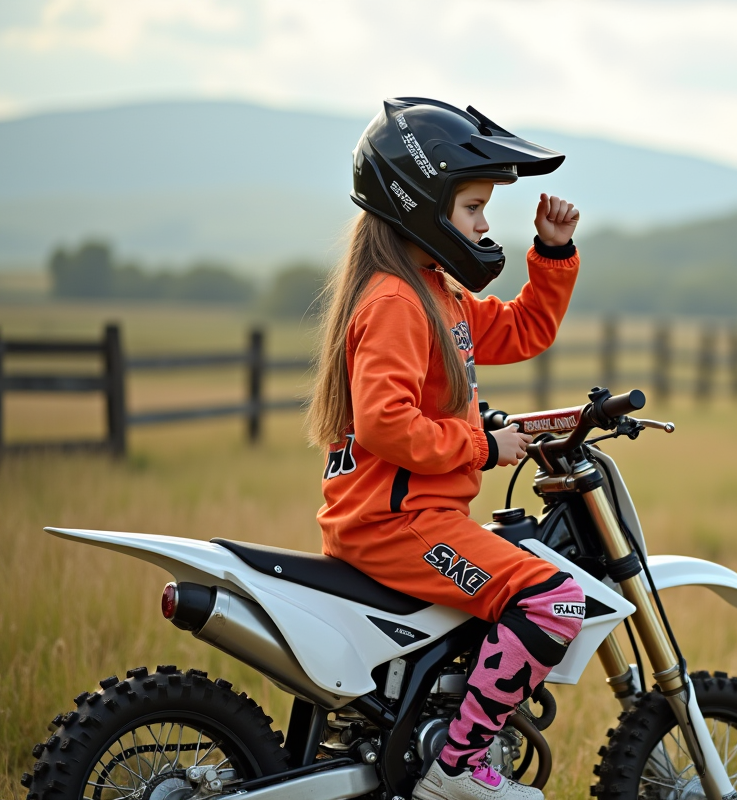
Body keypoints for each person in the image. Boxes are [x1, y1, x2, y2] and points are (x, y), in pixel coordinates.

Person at [307, 98, 584, 800]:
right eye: (472, 207)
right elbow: (385, 424)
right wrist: (483, 446)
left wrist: (550, 254)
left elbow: (521, 331)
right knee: (554, 602)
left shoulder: (436, 295)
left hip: (413, 518)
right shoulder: (398, 302)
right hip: (398, 525)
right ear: (422, 204)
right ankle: (456, 768)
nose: (485, 224)